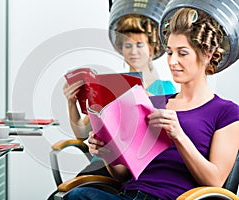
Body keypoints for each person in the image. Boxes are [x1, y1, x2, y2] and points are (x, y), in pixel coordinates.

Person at [64, 7, 239, 200]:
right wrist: (108, 153)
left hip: (173, 197)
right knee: (79, 195)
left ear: (207, 55)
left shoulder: (227, 112)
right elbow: (123, 174)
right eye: (170, 52)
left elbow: (215, 181)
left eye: (182, 53)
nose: (172, 61)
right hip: (129, 194)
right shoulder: (151, 104)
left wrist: (178, 135)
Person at [62, 15, 176, 177]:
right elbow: (81, 133)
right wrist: (71, 102)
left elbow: (167, 138)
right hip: (107, 160)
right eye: (128, 46)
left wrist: (143, 97)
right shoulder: (111, 85)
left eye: (139, 45)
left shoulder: (166, 88)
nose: (133, 51)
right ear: (121, 50)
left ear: (151, 49)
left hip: (142, 162)